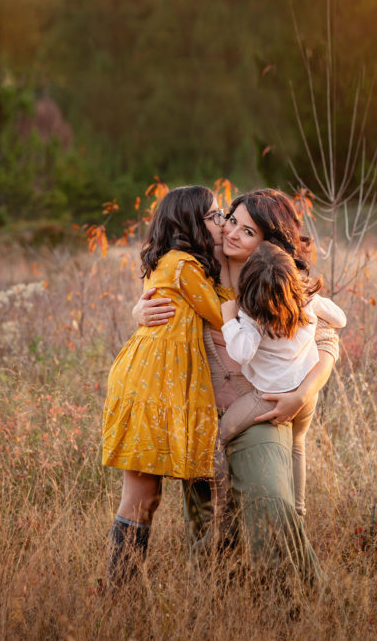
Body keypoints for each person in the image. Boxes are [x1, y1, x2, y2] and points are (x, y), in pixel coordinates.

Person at [133, 189, 341, 592]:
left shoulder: (273, 276)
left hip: (260, 406)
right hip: (199, 409)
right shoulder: (196, 267)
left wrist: (303, 394)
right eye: (229, 219)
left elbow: (328, 338)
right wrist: (138, 312)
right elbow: (157, 319)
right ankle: (223, 602)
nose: (231, 231)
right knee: (212, 523)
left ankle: (297, 600)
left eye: (247, 230)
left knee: (270, 500)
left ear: (267, 242)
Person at [101, 185, 227, 587]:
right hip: (153, 387)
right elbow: (221, 315)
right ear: (191, 223)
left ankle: (121, 589)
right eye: (214, 216)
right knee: (142, 497)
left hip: (151, 380)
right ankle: (118, 591)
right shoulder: (183, 265)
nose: (221, 222)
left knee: (146, 497)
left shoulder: (172, 262)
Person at [216, 241, 346, 520]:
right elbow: (340, 320)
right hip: (305, 393)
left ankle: (223, 511)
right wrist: (312, 297)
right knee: (297, 446)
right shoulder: (307, 301)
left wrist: (229, 318)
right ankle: (299, 512)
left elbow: (242, 353)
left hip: (266, 398)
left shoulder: (253, 314)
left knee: (220, 436)